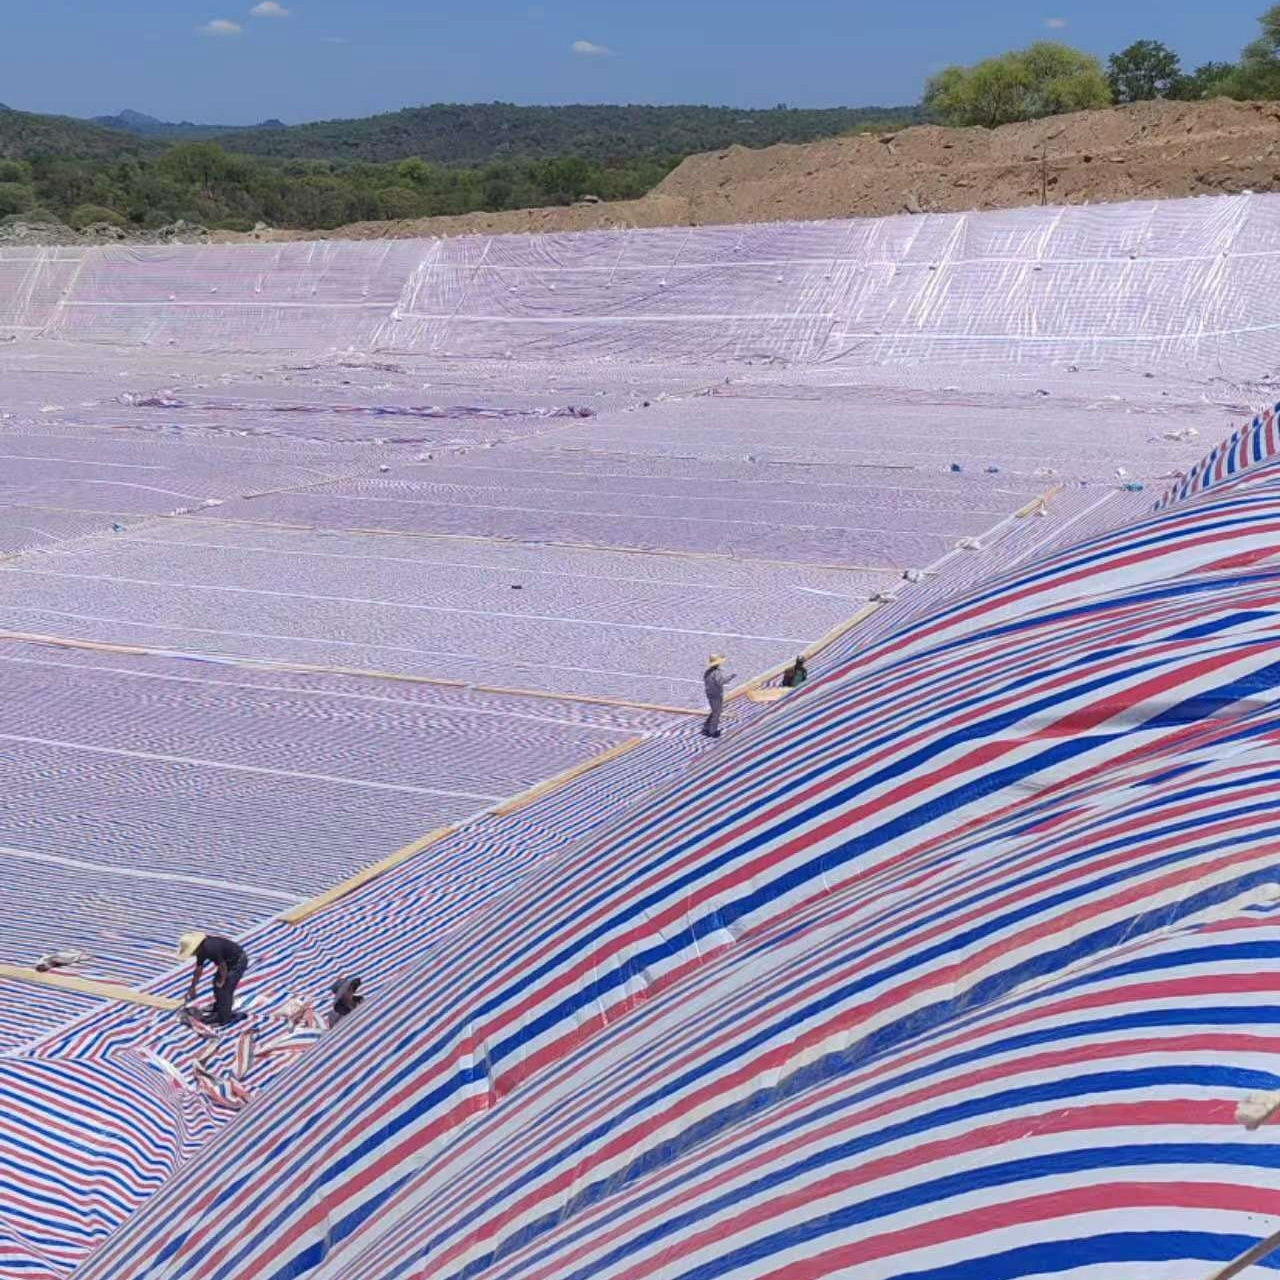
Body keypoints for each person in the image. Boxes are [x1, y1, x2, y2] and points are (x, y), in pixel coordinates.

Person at [179, 931, 249, 1027]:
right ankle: (220, 1006)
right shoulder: (201, 950)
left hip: (238, 961)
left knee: (225, 988)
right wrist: (193, 987)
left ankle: (224, 1017)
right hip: (227, 962)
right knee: (217, 984)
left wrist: (222, 981)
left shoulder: (210, 948)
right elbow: (199, 969)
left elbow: (222, 966)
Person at [703, 654, 735, 738]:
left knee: (715, 711)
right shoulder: (717, 672)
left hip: (709, 693)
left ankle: (706, 727)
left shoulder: (707, 672)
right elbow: (721, 682)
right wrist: (730, 677)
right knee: (717, 713)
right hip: (716, 694)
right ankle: (712, 731)